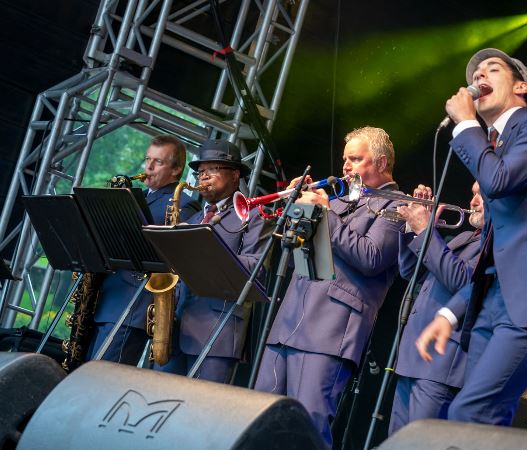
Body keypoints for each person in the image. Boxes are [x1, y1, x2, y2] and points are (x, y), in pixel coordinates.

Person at [415, 48, 527, 425]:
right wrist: (450, 312)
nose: (479, 76)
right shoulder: (493, 148)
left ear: (521, 87)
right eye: (474, 72)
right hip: (495, 300)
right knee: (485, 420)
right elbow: (497, 253)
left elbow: (498, 181)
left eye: (491, 69)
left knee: (471, 412)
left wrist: (465, 125)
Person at [255, 126, 405, 448]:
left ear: (381, 163)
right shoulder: (339, 201)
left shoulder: (397, 207)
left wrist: (322, 211)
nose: (346, 167)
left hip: (331, 330)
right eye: (344, 159)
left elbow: (371, 257)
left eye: (355, 159)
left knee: (307, 429)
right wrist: (299, 208)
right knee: (257, 419)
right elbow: (295, 250)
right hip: (289, 321)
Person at [155, 139, 268, 382]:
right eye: (200, 171)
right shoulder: (195, 217)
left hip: (219, 330)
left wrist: (201, 247)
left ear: (235, 175)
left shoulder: (254, 216)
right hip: (175, 327)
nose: (203, 177)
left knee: (199, 412)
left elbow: (256, 272)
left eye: (212, 169)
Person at [89, 135, 200, 364]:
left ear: (176, 169)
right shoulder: (137, 197)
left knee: (103, 380)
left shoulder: (184, 204)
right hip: (109, 298)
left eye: (157, 162)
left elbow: (173, 257)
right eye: (147, 159)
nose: (148, 167)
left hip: (133, 306)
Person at [388, 182, 484, 434]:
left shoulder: (496, 246)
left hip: (441, 366)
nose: (473, 202)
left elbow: (462, 282)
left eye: (480, 196)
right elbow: (411, 271)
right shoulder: (464, 237)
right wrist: (414, 227)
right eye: (473, 194)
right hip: (413, 356)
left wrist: (426, 231)